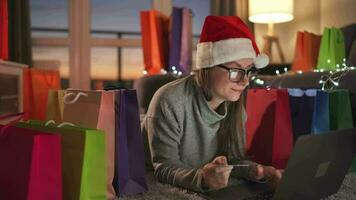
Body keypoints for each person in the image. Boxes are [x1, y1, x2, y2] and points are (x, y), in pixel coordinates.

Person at [142, 16, 282, 192]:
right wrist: (202, 179)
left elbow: (232, 159)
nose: (245, 81)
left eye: (248, 71)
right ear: (208, 66)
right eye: (236, 70)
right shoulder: (169, 100)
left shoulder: (235, 105)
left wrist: (257, 171)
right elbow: (163, 168)